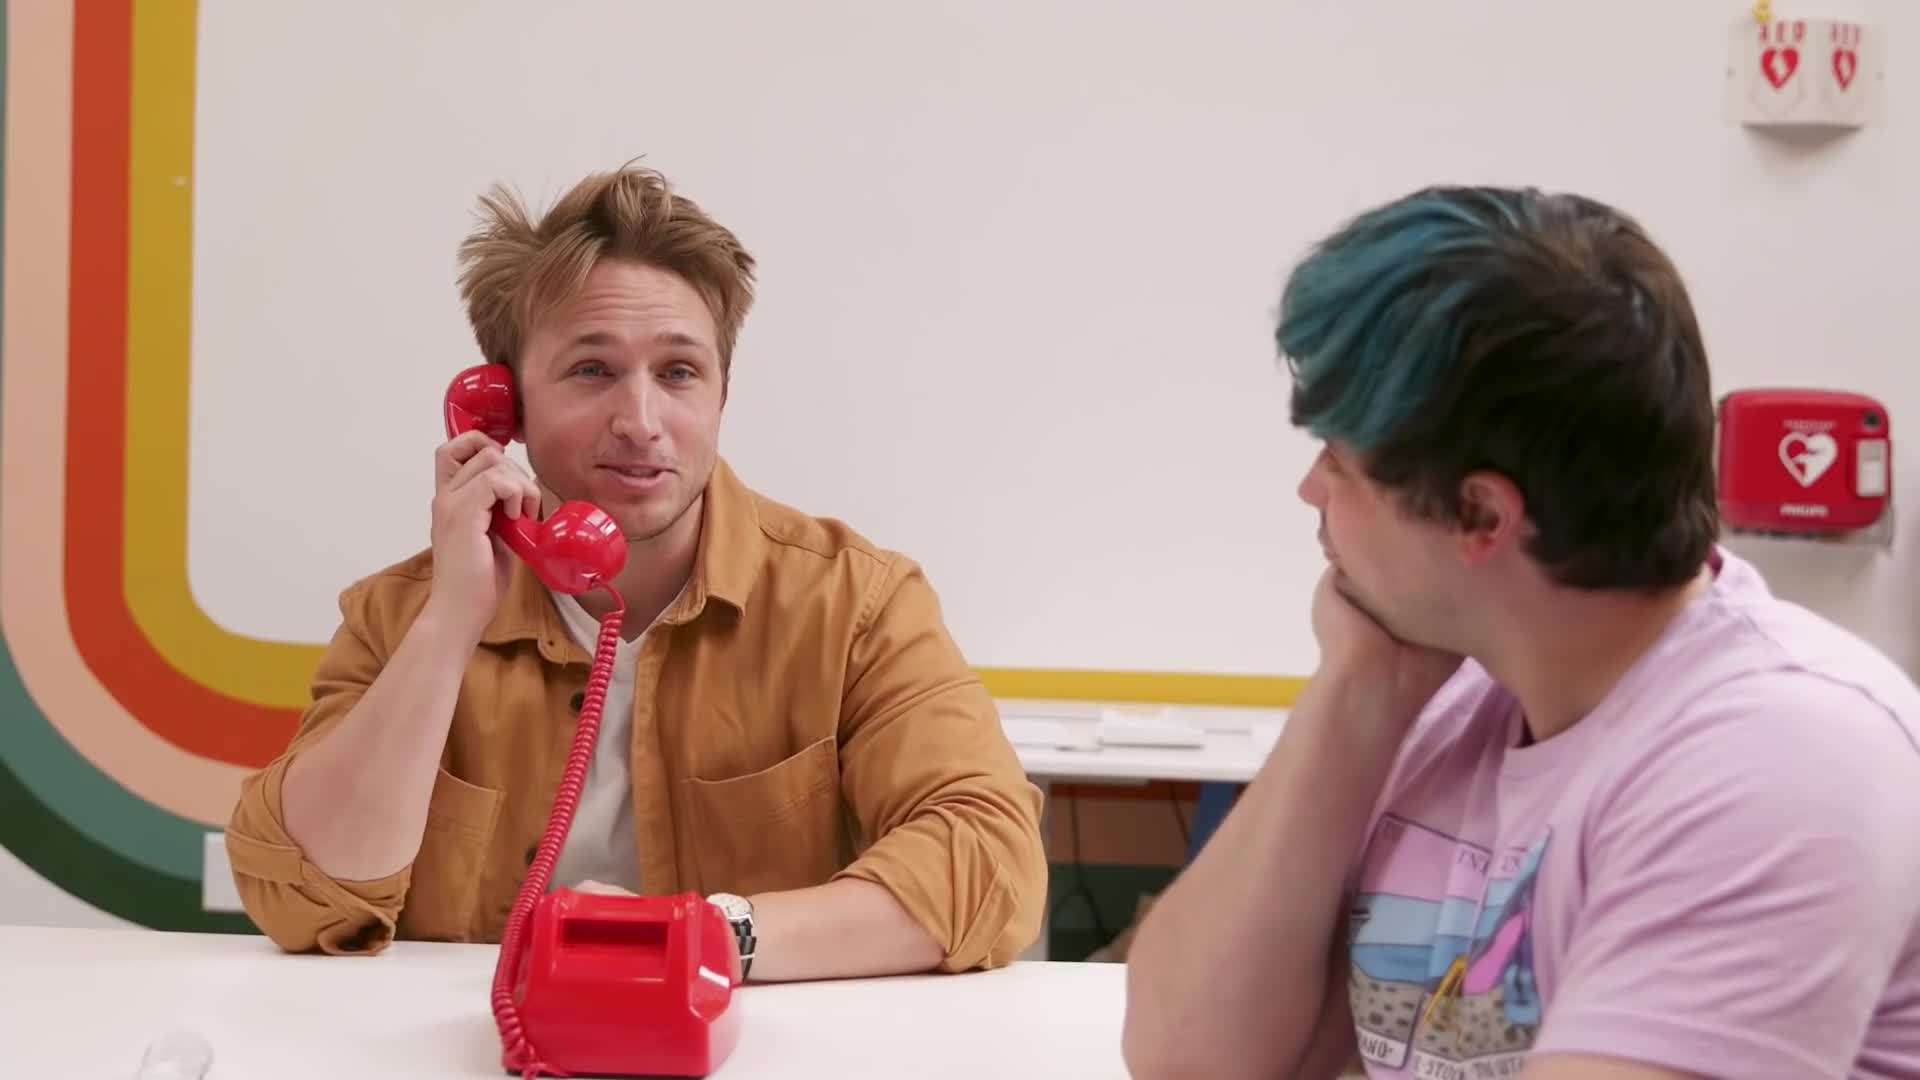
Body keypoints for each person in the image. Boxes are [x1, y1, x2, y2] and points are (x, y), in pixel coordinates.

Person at [1121, 186, 1920, 1078]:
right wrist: (1358, 690)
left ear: (1480, 516)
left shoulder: (1780, 763)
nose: (1311, 490)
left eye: (1340, 463)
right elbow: (1188, 1060)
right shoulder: (1448, 693)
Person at [223, 163, 1047, 982]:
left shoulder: (856, 601)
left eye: (679, 372)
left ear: (722, 393)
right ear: (503, 407)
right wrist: (448, 629)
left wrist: (700, 937)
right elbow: (304, 898)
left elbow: (988, 859)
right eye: (592, 370)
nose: (641, 422)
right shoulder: (402, 615)